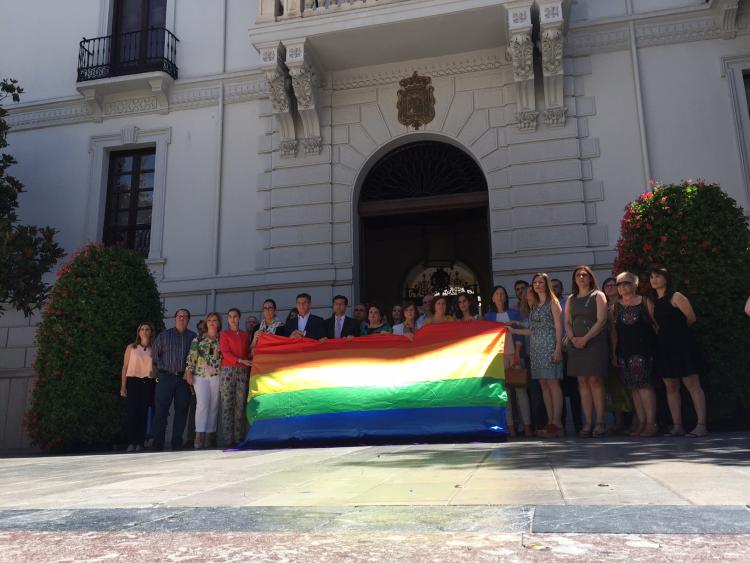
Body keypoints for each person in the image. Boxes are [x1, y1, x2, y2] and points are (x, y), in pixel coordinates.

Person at [650, 266, 707, 437]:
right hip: (665, 348)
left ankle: (702, 425)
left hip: (683, 346)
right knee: (671, 386)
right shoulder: (654, 301)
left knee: (692, 385)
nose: (654, 280)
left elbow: (691, 318)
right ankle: (677, 425)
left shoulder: (676, 296)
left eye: (657, 276)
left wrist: (678, 335)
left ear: (666, 278)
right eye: (651, 277)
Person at [511, 274, 564, 438]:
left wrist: (558, 348)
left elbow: (558, 327)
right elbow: (531, 330)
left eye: (541, 282)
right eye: (535, 282)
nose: (538, 285)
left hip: (550, 346)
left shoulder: (553, 303)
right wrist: (513, 331)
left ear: (546, 284)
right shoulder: (535, 306)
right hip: (536, 349)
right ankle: (550, 421)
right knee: (543, 385)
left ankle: (557, 422)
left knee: (553, 383)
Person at [610, 271, 658, 437]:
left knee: (645, 387)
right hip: (625, 351)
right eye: (619, 284)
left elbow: (656, 325)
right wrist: (614, 353)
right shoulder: (615, 306)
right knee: (634, 389)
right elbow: (614, 332)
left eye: (626, 283)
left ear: (635, 284)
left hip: (644, 350)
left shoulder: (645, 301)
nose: (622, 287)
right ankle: (642, 422)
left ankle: (651, 423)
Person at [566, 266, 609, 438]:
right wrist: (573, 338)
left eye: (585, 275)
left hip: (594, 342)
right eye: (578, 275)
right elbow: (568, 322)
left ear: (590, 278)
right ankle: (588, 422)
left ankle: (600, 422)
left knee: (595, 381)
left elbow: (601, 320)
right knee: (582, 382)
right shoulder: (571, 298)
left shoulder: (598, 295)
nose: (581, 277)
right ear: (574, 279)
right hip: (576, 344)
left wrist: (585, 338)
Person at [484, 285, 532, 438]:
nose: (500, 296)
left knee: (521, 391)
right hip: (497, 358)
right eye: (497, 293)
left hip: (515, 355)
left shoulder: (514, 313)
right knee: (506, 394)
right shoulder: (488, 317)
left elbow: (519, 336)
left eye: (502, 293)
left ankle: (527, 427)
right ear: (492, 297)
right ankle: (510, 427)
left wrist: (518, 352)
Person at [151, 309, 196, 451]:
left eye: (184, 316)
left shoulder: (193, 337)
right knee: (161, 411)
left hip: (183, 379)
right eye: (179, 316)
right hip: (165, 377)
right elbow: (154, 356)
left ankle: (177, 443)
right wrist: (159, 373)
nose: (181, 318)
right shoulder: (164, 336)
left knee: (181, 411)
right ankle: (158, 443)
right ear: (175, 318)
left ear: (188, 319)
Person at [185, 312, 223, 449]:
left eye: (215, 320)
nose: (212, 322)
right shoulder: (198, 339)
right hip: (200, 375)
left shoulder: (222, 339)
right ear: (206, 323)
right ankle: (198, 435)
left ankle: (209, 436)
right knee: (202, 404)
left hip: (217, 375)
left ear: (219, 323)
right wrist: (189, 372)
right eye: (209, 320)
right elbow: (191, 357)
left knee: (214, 405)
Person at [602, 276, 634, 434]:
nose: (609, 288)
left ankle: (634, 420)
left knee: (630, 385)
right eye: (606, 286)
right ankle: (618, 420)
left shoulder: (624, 304)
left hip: (626, 347)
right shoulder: (602, 306)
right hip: (606, 349)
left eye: (612, 285)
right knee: (613, 387)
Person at [552, 278, 582, 435]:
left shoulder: (567, 303)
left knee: (575, 389)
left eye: (557, 286)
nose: (554, 289)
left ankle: (579, 424)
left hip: (570, 350)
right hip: (554, 351)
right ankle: (560, 425)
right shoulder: (547, 305)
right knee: (558, 390)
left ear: (561, 288)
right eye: (552, 287)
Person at [120, 322, 155, 452]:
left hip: (147, 382)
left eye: (147, 329)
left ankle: (140, 442)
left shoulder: (154, 348)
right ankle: (131, 442)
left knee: (143, 413)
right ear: (138, 332)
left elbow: (156, 367)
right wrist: (123, 386)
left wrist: (154, 373)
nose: (144, 331)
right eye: (142, 329)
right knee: (132, 412)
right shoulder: (131, 348)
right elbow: (125, 367)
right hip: (133, 381)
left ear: (151, 332)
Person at [219, 308, 251, 447]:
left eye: (235, 316)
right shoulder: (224, 334)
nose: (233, 319)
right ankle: (228, 439)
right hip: (228, 371)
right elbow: (225, 352)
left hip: (242, 372)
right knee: (227, 404)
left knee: (240, 405)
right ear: (227, 319)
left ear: (239, 318)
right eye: (230, 316)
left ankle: (239, 437)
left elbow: (248, 352)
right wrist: (239, 360)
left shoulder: (245, 335)